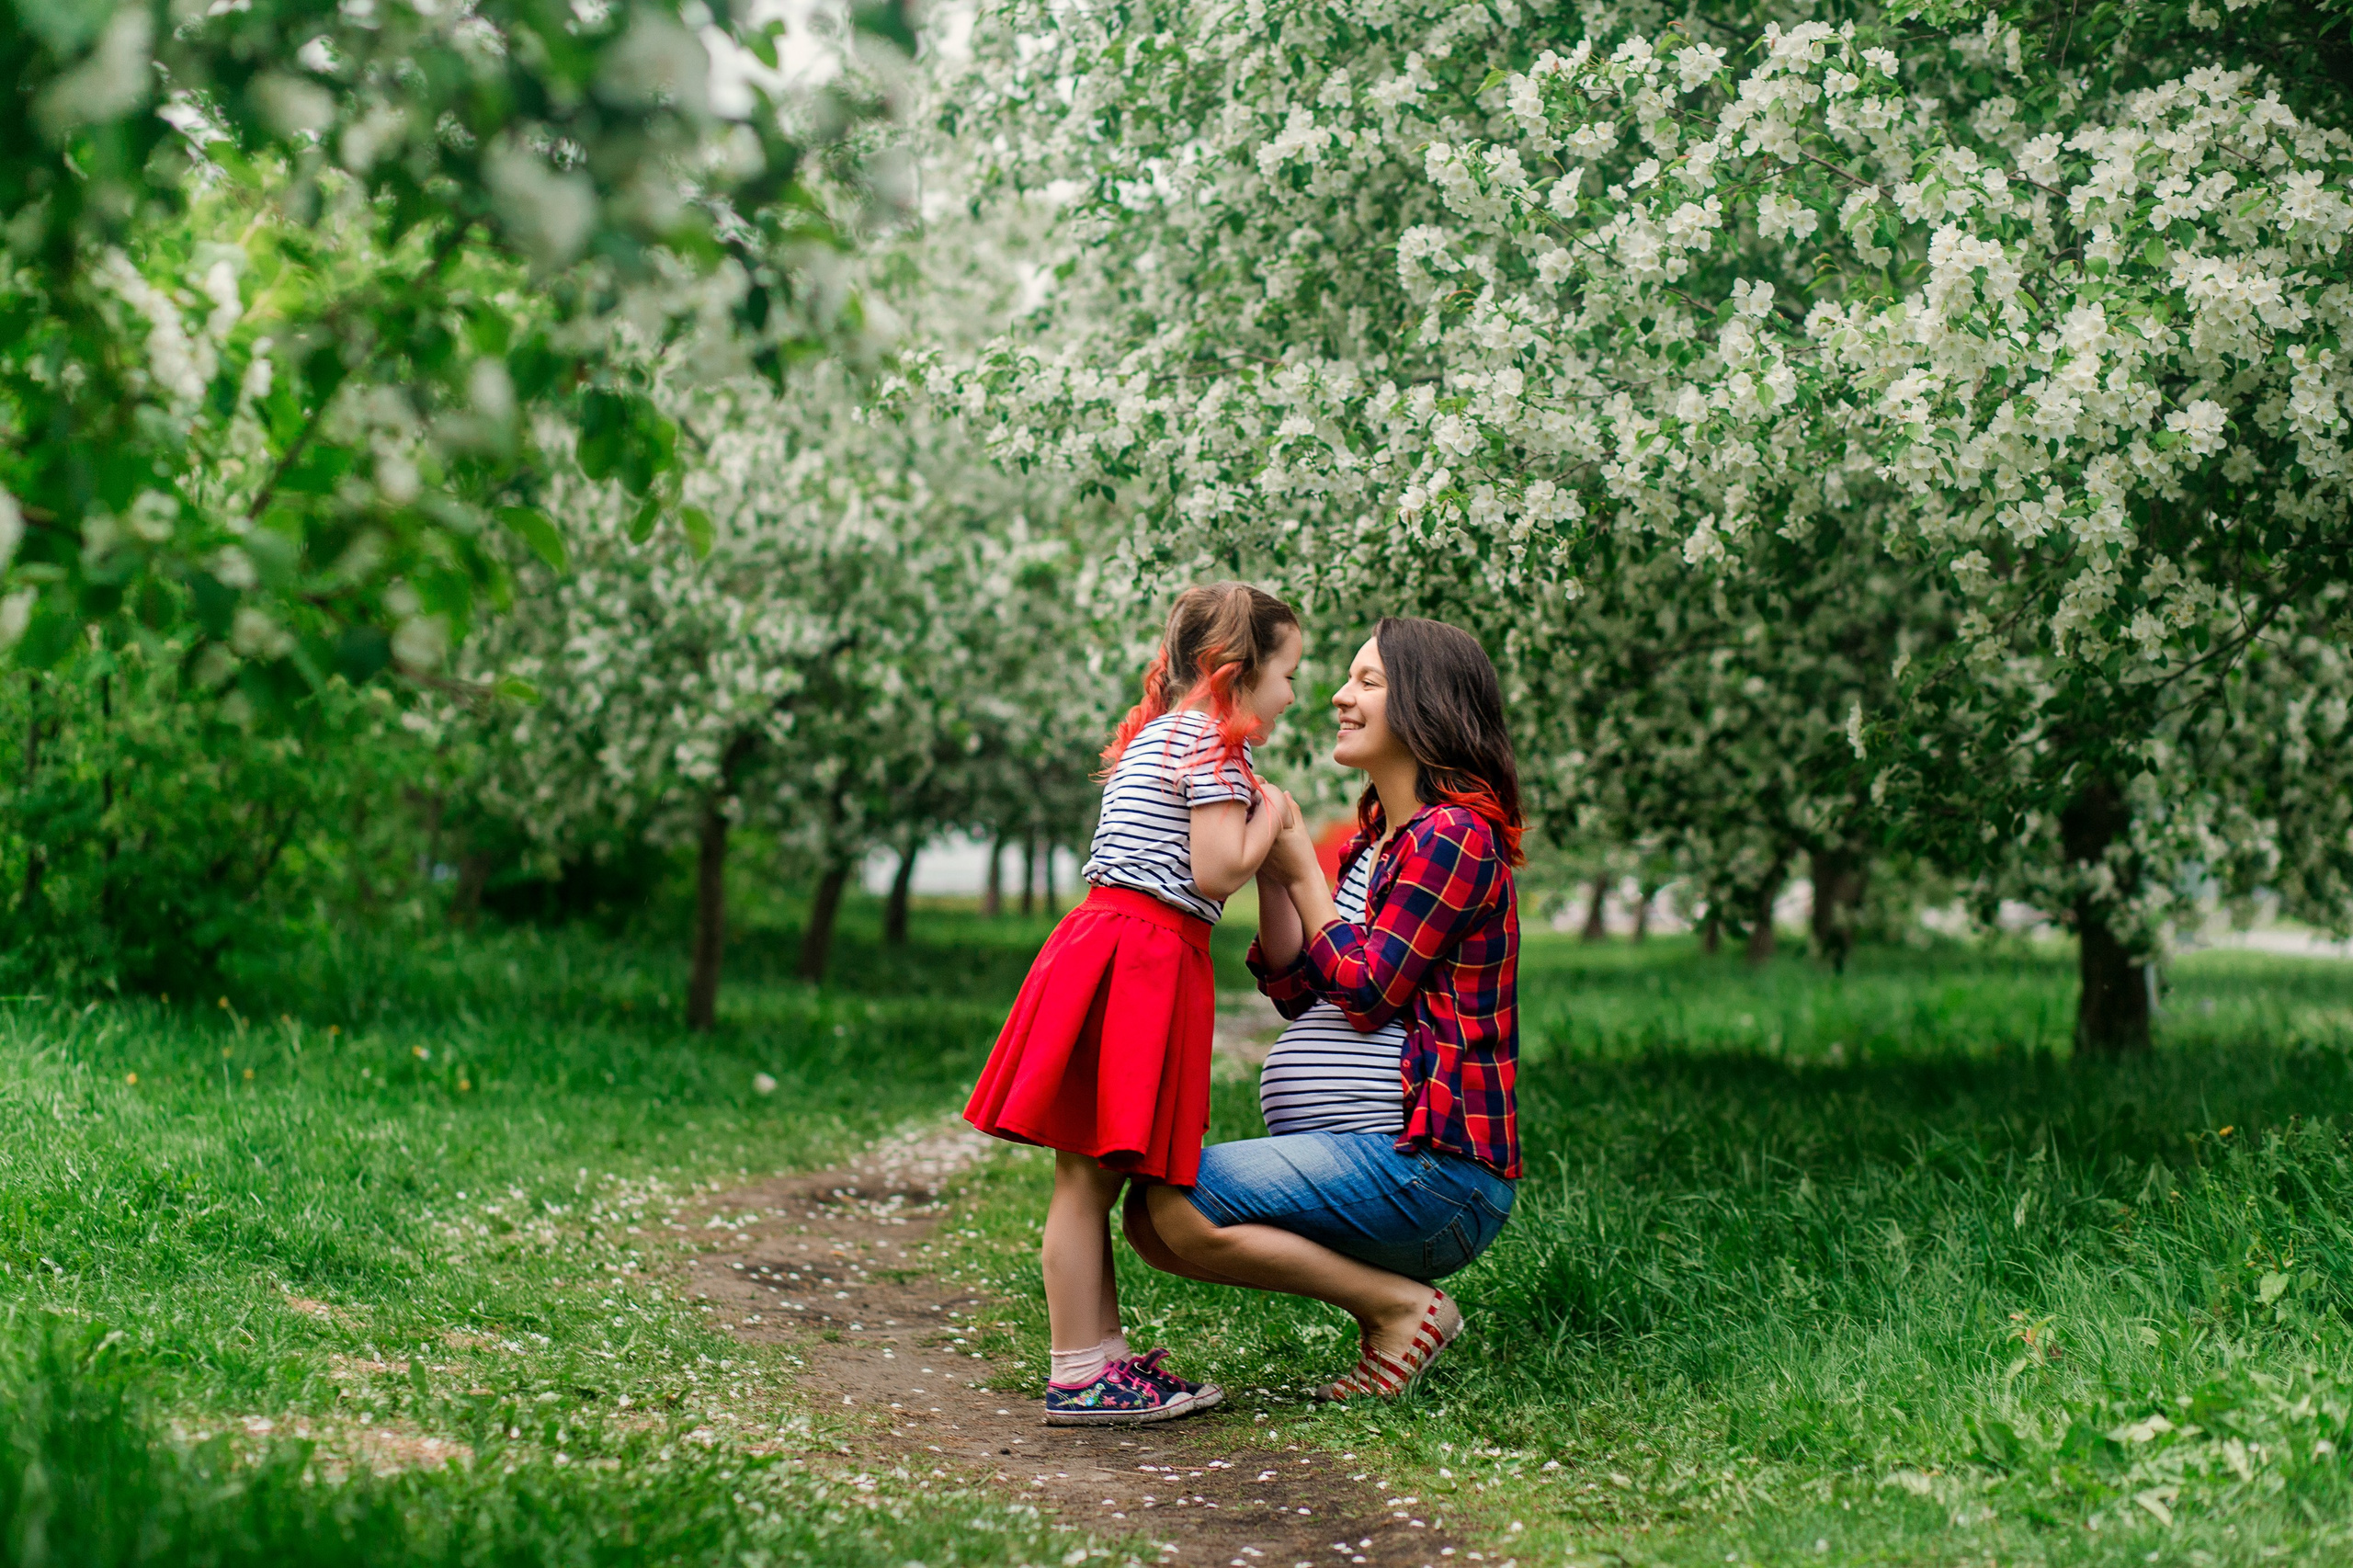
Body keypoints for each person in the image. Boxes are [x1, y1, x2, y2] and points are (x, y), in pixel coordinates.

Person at [1122, 616, 1523, 1402]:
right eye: (1345, 678)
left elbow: (1369, 989)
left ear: (1427, 705)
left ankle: (1402, 1308)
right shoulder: (1381, 845)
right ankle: (1393, 1314)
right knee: (1151, 1220)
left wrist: (1305, 872)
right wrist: (1277, 870)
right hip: (1377, 1162)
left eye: (1367, 681)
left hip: (1435, 1172)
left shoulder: (1457, 837)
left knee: (1175, 1199)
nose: (1339, 696)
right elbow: (1298, 986)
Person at [964, 583, 1303, 1425]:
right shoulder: (1211, 744)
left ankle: (1101, 1359)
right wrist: (1277, 825)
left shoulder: (1163, 734)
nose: (1296, 692)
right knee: (1085, 1183)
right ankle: (1080, 1375)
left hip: (1118, 948)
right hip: (1140, 958)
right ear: (1237, 671)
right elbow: (1216, 870)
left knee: (1092, 1177)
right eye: (1289, 671)